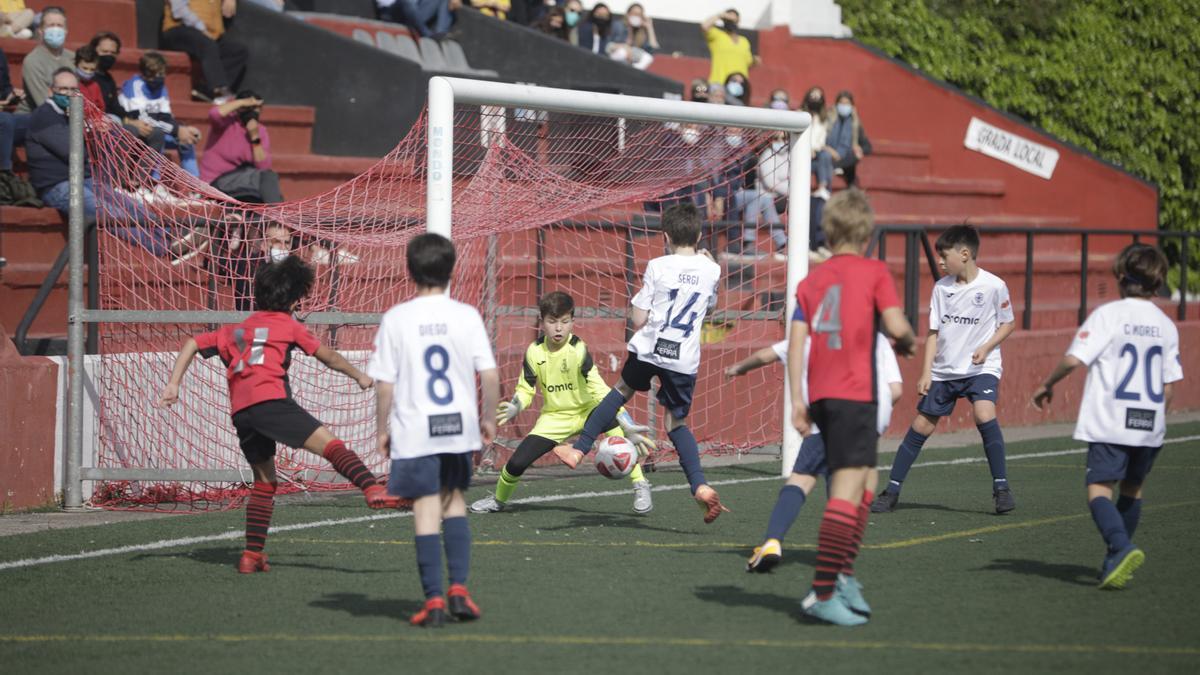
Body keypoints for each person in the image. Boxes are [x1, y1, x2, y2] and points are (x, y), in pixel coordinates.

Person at [156, 255, 404, 574]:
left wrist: (174, 384)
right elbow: (326, 355)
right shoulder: (288, 325)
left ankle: (251, 555)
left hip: (242, 413)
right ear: (294, 299)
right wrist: (359, 375)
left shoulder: (234, 329)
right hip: (271, 403)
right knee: (333, 446)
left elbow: (192, 342)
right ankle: (372, 487)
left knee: (264, 481)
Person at [550, 203, 729, 523]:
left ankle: (579, 450)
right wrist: (710, 266)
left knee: (618, 392)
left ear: (665, 236)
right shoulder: (712, 270)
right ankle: (699, 485)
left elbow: (639, 315)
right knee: (675, 424)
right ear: (700, 235)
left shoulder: (658, 265)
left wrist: (639, 321)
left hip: (650, 349)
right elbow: (710, 310)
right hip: (683, 358)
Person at [788, 187, 916, 626]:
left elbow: (797, 345)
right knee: (847, 495)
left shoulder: (810, 281)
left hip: (824, 395)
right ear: (866, 232)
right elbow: (897, 325)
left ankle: (842, 576)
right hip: (855, 395)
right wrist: (910, 340)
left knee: (864, 486)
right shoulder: (874, 271)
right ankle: (823, 592)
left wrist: (797, 402)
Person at [1032, 244, 1182, 589]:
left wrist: (1047, 383)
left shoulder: (1108, 315)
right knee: (1133, 488)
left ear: (1120, 277)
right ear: (1157, 282)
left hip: (1110, 421)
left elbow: (1074, 359)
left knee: (1098, 489)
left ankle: (1120, 545)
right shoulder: (1166, 325)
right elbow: (1169, 386)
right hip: (1148, 423)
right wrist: (1157, 417)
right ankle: (1113, 560)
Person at [367, 233, 499, 627]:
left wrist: (381, 427)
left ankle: (435, 601)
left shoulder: (397, 318)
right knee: (454, 502)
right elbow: (489, 374)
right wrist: (489, 418)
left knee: (425, 509)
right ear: (451, 270)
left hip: (416, 430)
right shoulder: (466, 315)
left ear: (410, 271)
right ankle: (459, 588)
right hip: (457, 427)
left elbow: (384, 383)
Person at [736, 331, 903, 588]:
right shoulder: (876, 337)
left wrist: (738, 368)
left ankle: (773, 541)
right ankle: (842, 557)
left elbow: (764, 355)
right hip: (868, 422)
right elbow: (896, 390)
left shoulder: (810, 337)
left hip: (829, 419)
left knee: (800, 481)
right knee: (845, 489)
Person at [871, 225, 1017, 515]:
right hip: (945, 371)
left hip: (981, 368)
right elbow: (933, 332)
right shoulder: (941, 288)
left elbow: (1008, 323)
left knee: (983, 413)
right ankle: (892, 490)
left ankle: (1001, 488)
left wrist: (987, 347)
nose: (939, 261)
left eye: (943, 255)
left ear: (964, 254)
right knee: (921, 426)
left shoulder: (994, 286)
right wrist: (927, 372)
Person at [470, 291, 657, 515]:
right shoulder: (534, 352)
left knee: (616, 434)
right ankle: (498, 501)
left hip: (588, 411)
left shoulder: (578, 350)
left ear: (572, 322)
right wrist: (516, 405)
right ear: (542, 323)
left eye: (565, 322)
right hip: (554, 418)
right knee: (517, 463)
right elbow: (526, 389)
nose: (559, 328)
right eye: (552, 321)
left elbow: (599, 389)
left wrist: (625, 421)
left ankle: (640, 485)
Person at [120, 51, 202, 178]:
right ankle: (154, 183)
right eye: (153, 74)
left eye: (161, 73)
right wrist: (177, 130)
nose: (158, 77)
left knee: (186, 140)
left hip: (156, 126)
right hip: (138, 130)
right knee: (159, 134)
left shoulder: (161, 87)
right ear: (144, 73)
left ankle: (195, 187)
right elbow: (141, 119)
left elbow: (166, 117)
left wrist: (183, 130)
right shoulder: (135, 85)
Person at [88, 31, 165, 154]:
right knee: (130, 130)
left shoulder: (108, 79)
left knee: (156, 133)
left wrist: (136, 120)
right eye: (104, 52)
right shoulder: (88, 78)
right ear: (94, 50)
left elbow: (116, 108)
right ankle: (116, 173)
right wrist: (130, 122)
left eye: (112, 53)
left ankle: (142, 173)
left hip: (116, 122)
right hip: (97, 126)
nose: (108, 56)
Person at [160, 0, 249, 102]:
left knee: (237, 51)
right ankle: (219, 90)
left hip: (209, 36)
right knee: (207, 45)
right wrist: (202, 29)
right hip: (178, 30)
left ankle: (205, 91)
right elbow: (179, 11)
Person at [201, 91, 280, 203]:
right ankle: (277, 214)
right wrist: (243, 102)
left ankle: (272, 214)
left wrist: (255, 137)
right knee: (263, 183)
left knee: (266, 179)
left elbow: (264, 167)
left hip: (241, 183)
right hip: (215, 183)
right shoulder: (226, 123)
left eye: (257, 108)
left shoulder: (260, 130)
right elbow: (214, 114)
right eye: (249, 107)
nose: (253, 112)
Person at [814, 90, 870, 198]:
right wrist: (832, 151)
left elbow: (868, 146)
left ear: (852, 106)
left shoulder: (855, 123)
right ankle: (826, 188)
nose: (844, 106)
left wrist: (860, 149)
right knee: (825, 157)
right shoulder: (827, 117)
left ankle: (853, 193)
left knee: (854, 156)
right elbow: (819, 141)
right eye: (841, 103)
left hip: (844, 158)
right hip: (825, 153)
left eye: (847, 103)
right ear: (836, 104)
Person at [19, 6, 73, 112]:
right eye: (51, 25)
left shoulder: (73, 58)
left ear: (66, 30)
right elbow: (44, 102)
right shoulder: (33, 61)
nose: (55, 29)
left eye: (59, 25)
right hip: (37, 117)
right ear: (40, 31)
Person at [801, 86, 831, 251]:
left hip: (816, 154)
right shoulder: (800, 113)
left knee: (825, 156)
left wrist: (815, 149)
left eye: (818, 95)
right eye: (812, 94)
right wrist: (807, 149)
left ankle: (823, 187)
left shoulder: (823, 119)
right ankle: (823, 186)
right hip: (802, 154)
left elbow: (821, 139)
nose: (815, 98)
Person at [701, 9, 757, 89]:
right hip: (719, 83)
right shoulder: (717, 35)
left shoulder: (744, 41)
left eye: (734, 19)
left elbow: (749, 61)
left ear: (738, 21)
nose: (731, 21)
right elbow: (705, 26)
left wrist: (755, 60)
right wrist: (721, 15)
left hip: (739, 85)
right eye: (728, 19)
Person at [607, 3, 657, 70]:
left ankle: (634, 74)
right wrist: (625, 47)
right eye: (634, 13)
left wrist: (649, 28)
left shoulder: (641, 32)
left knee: (648, 58)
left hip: (632, 59)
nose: (636, 16)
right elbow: (607, 44)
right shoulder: (618, 25)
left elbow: (652, 50)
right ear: (628, 14)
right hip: (616, 53)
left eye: (639, 15)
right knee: (622, 52)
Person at [74, 45, 105, 113]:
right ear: (76, 64)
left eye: (92, 69)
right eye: (85, 68)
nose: (88, 72)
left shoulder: (95, 85)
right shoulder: (70, 83)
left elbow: (101, 107)